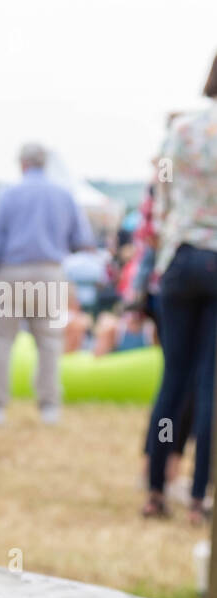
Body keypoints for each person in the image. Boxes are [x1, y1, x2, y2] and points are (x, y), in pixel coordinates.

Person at [143, 51, 217, 522]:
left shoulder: (183, 129)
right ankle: (197, 497)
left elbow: (162, 195)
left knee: (173, 380)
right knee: (210, 384)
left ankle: (155, 489)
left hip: (181, 255)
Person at [0, 142, 95, 425]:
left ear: (22, 163)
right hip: (50, 272)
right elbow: (83, 240)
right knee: (50, 342)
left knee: (3, 339)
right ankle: (49, 408)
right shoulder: (64, 195)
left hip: (10, 273)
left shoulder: (8, 195)